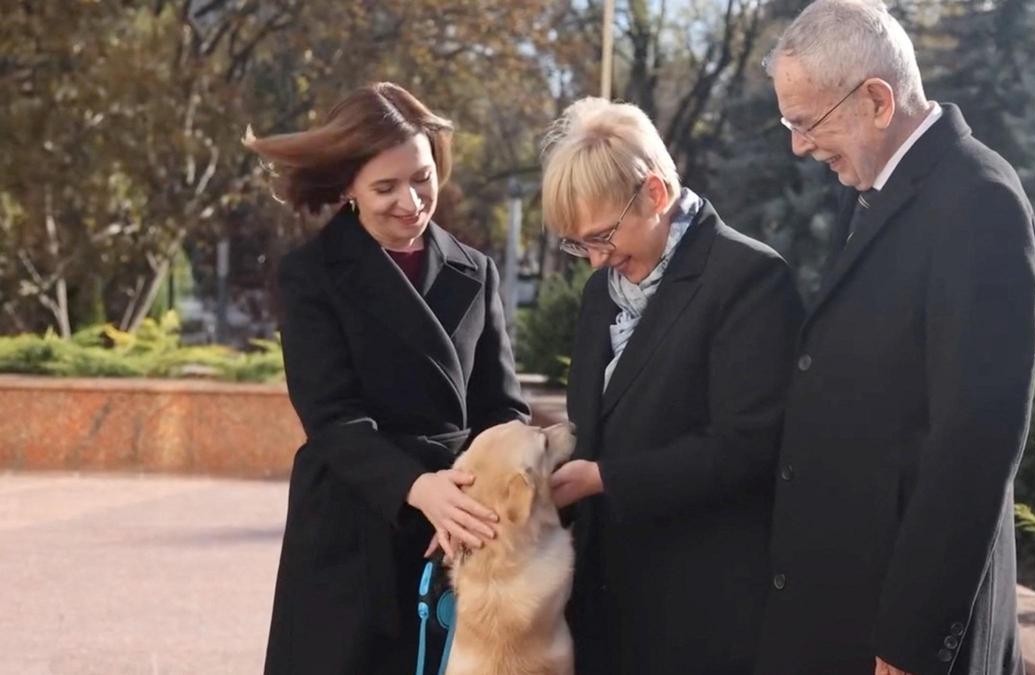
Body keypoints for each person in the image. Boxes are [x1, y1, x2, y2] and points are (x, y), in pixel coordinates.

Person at [756, 2, 1035, 674]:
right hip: (842, 601)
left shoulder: (979, 201)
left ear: (878, 101)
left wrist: (913, 639)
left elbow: (975, 441)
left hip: (898, 635)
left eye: (807, 122)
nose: (798, 145)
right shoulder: (871, 183)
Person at [245, 82, 530, 674]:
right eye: (385, 187)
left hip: (456, 535)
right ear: (347, 186)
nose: (411, 201)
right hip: (353, 532)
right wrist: (420, 489)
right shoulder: (311, 275)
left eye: (422, 177)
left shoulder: (476, 271)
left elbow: (503, 410)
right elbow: (331, 416)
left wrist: (474, 496)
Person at [541, 97, 803, 674]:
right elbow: (595, 427)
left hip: (697, 616)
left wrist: (606, 478)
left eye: (602, 236)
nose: (594, 260)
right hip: (604, 611)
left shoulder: (749, 279)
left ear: (655, 194)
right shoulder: (600, 293)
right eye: (579, 244)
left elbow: (748, 446)